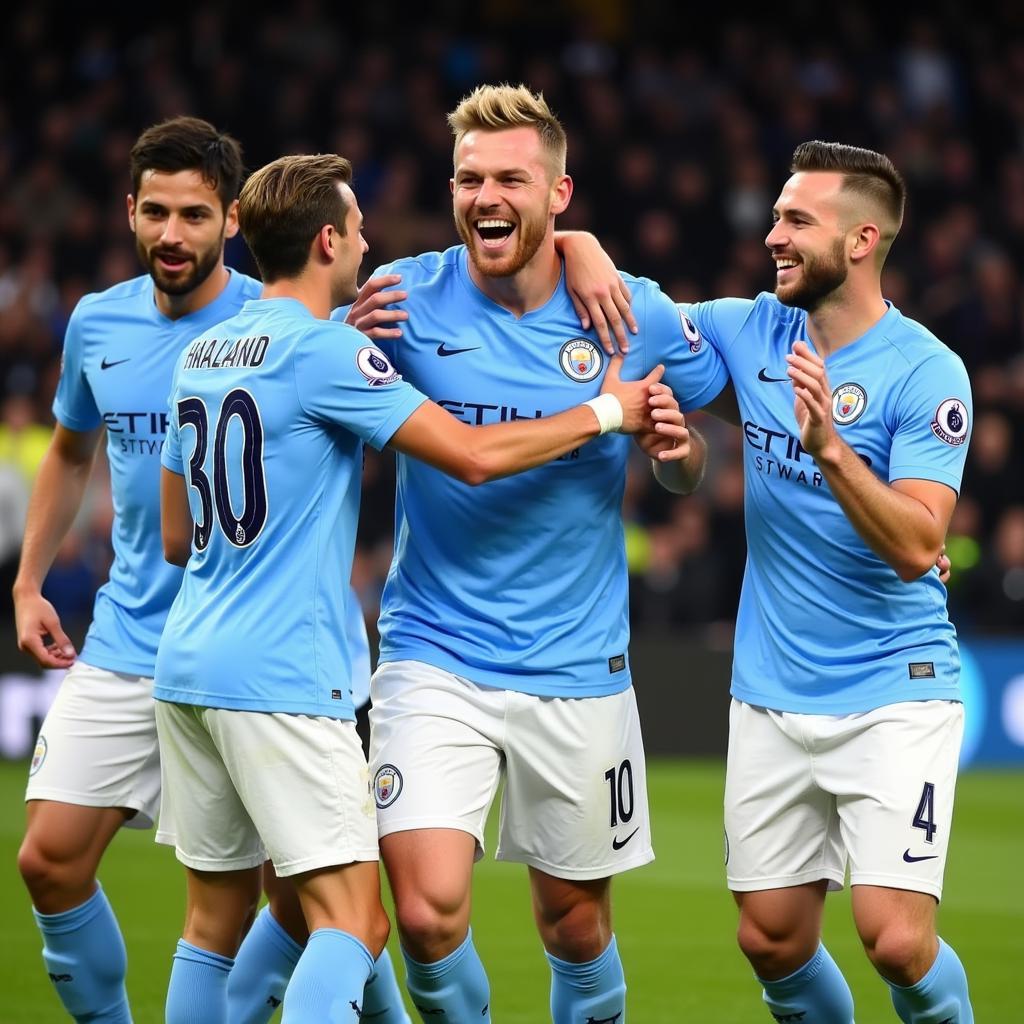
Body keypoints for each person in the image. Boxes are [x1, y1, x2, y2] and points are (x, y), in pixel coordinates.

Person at [153, 151, 668, 1024]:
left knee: (220, 918)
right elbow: (468, 456)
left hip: (190, 662)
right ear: (326, 240)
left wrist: (578, 244)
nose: (370, 247)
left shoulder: (202, 348)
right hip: (285, 672)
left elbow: (174, 535)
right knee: (355, 922)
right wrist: (609, 412)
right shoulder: (333, 354)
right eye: (357, 230)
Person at [337, 84, 728, 1023]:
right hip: (436, 652)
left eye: (510, 176)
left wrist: (680, 458)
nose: (484, 196)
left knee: (575, 926)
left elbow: (691, 462)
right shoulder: (400, 301)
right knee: (427, 915)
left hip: (577, 665)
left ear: (559, 195)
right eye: (468, 178)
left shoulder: (627, 312)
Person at [11, 115, 411, 1024]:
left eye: (194, 215)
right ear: (129, 212)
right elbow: (72, 451)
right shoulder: (97, 322)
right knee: (51, 860)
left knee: (295, 900)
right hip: (137, 636)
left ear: (233, 220)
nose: (171, 235)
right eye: (155, 212)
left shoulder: (290, 312)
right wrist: (32, 581)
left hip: (246, 643)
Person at [656, 142, 973, 1023]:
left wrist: (831, 449)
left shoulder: (925, 369)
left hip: (892, 689)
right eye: (775, 217)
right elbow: (629, 313)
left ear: (862, 239)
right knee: (772, 939)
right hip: (770, 690)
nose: (773, 237)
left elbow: (919, 545)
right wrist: (582, 250)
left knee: (897, 941)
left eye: (797, 221)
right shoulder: (751, 330)